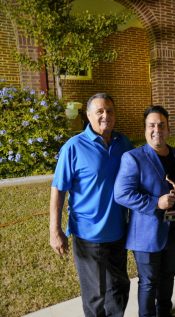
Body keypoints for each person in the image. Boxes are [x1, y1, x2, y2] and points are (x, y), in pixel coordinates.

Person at [49, 93, 133, 317]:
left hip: (118, 232)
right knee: (95, 295)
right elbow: (58, 189)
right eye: (100, 111)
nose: (106, 115)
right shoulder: (73, 147)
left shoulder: (123, 143)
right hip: (88, 235)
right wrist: (55, 230)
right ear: (88, 116)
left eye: (110, 111)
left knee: (119, 288)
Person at [114, 105, 175, 317]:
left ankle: (165, 312)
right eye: (151, 125)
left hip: (174, 229)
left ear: (168, 128)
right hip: (146, 233)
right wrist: (156, 203)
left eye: (161, 125)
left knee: (169, 276)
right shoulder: (133, 158)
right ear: (145, 129)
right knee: (148, 282)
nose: (157, 130)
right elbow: (122, 194)